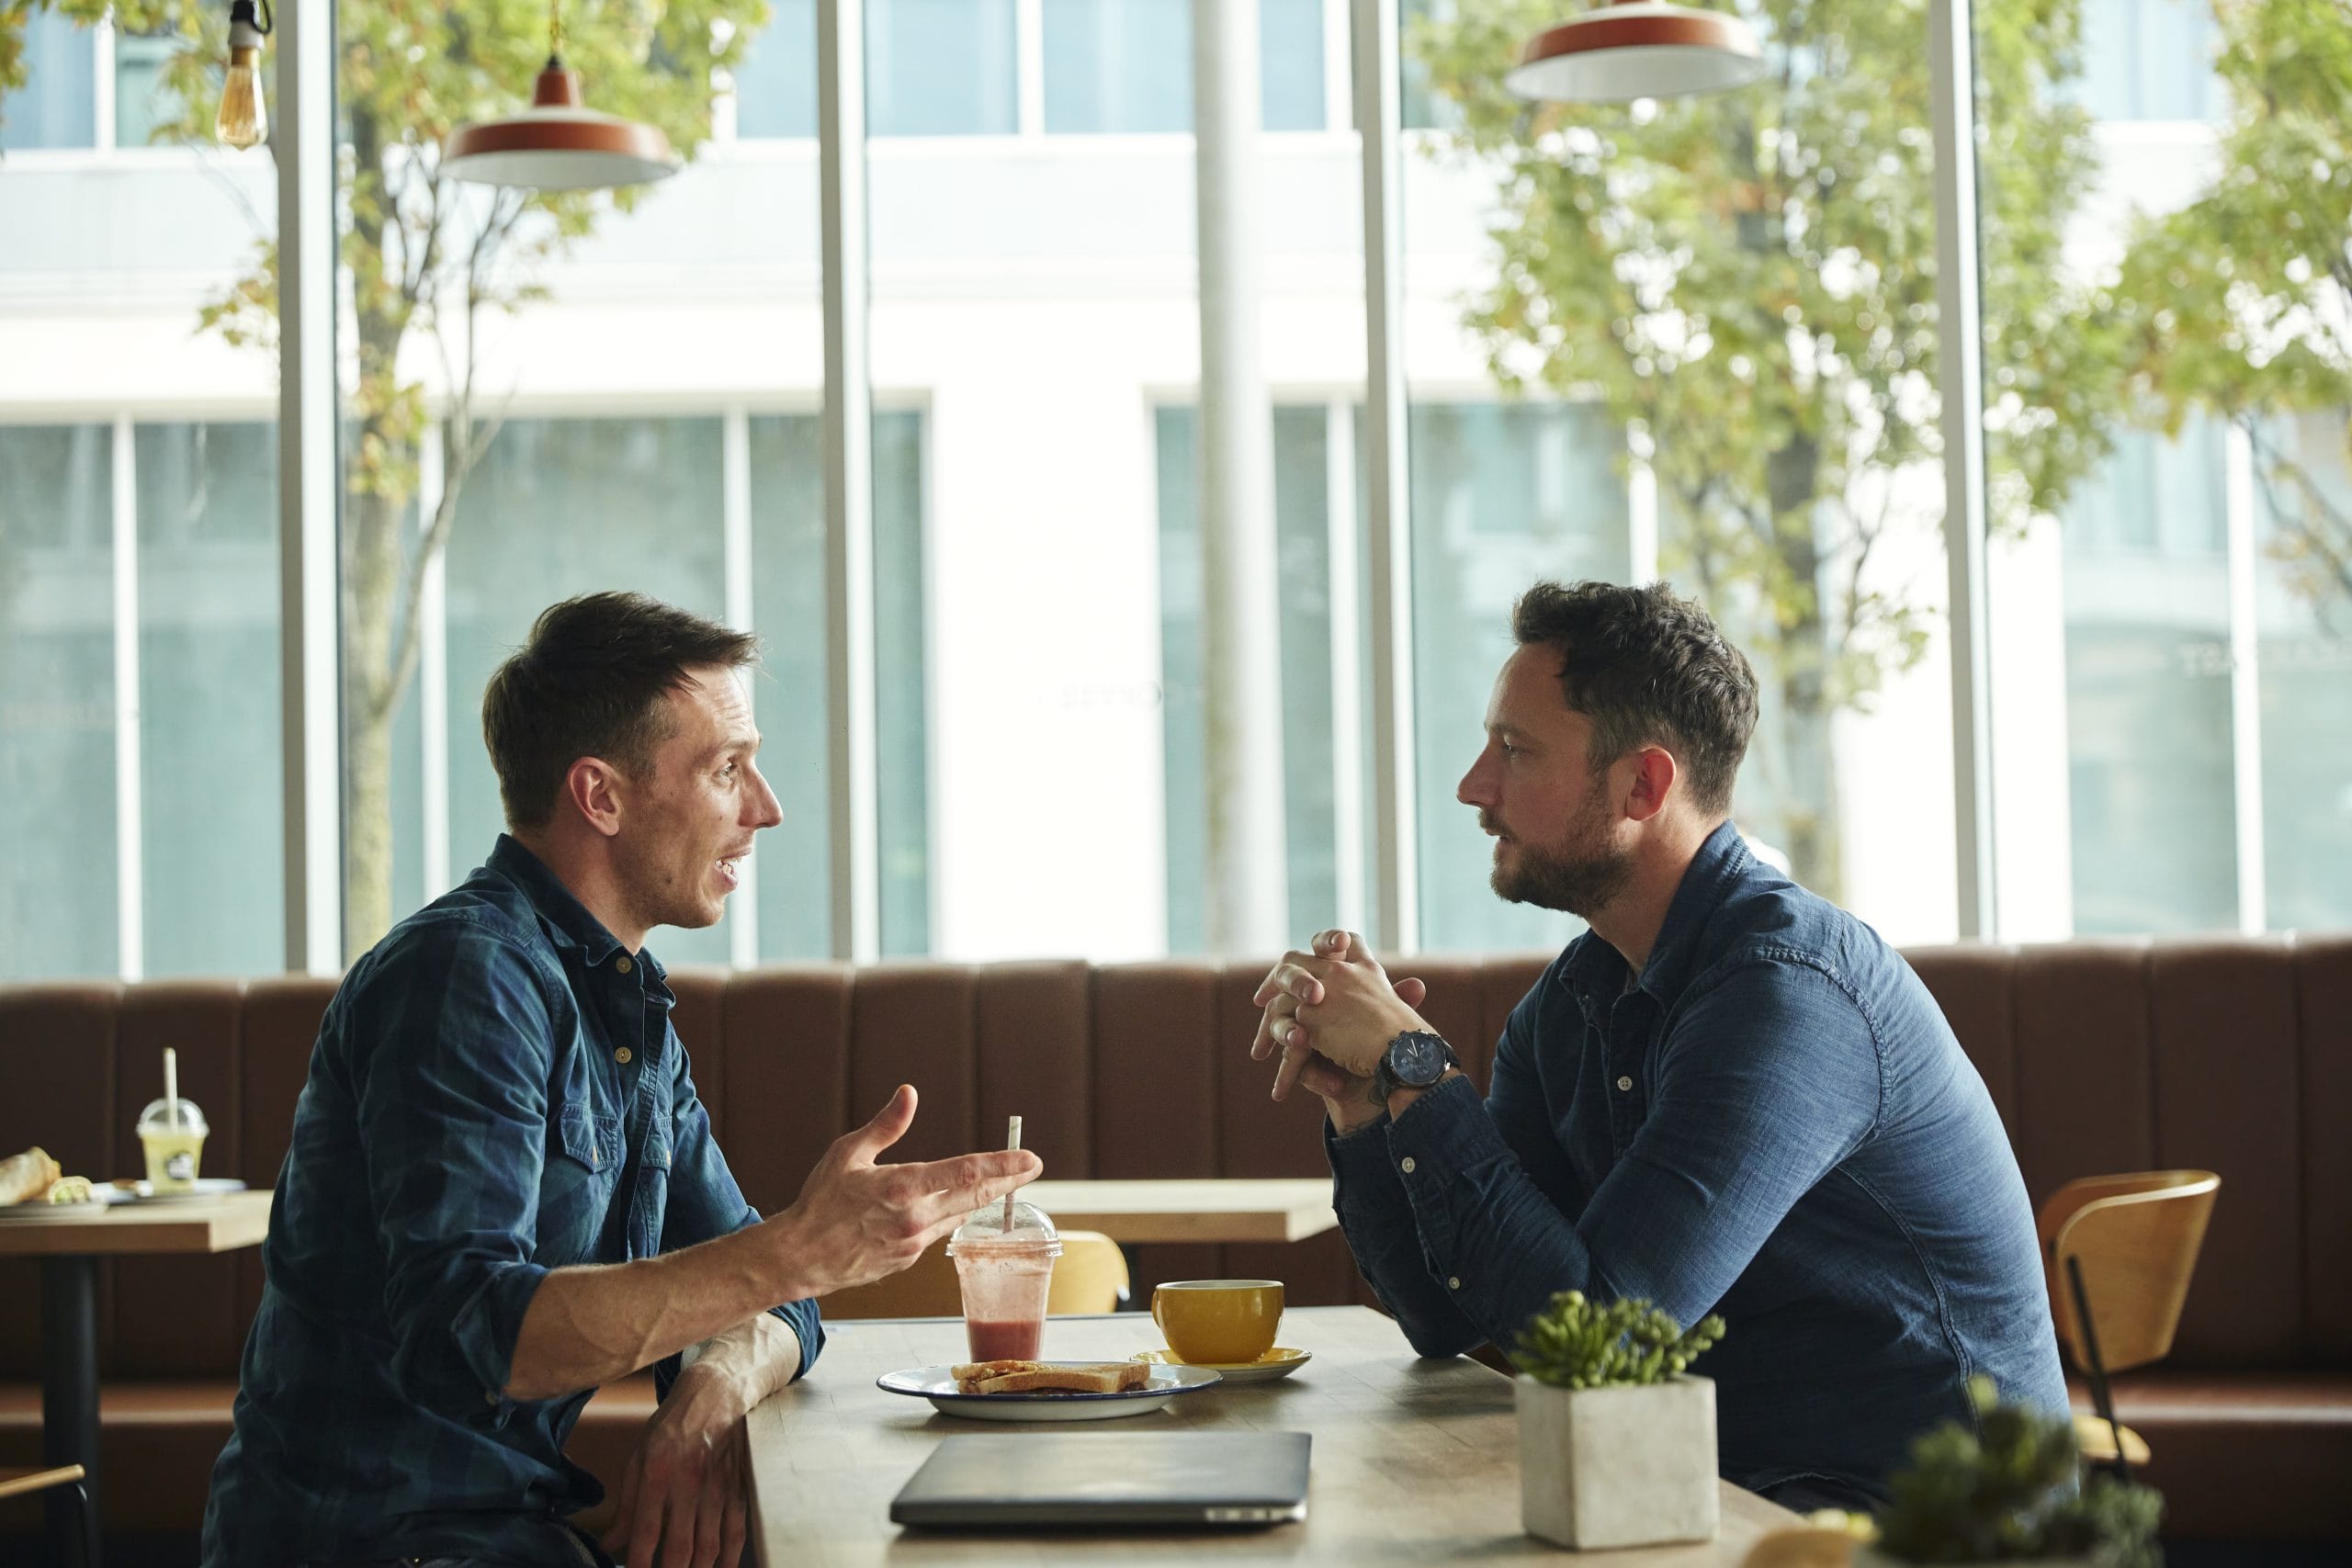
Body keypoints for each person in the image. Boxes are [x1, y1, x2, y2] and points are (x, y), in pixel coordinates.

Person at [202, 592, 1041, 1568]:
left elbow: (778, 1304)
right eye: (726, 769)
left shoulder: (623, 1006)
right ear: (600, 797)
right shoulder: (464, 978)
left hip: (507, 1536)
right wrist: (797, 1253)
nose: (765, 807)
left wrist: (714, 1387)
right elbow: (471, 1332)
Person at [1250, 580, 2064, 1510]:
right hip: (1717, 1499)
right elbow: (1453, 1318)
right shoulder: (1574, 999)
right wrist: (1367, 1104)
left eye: (1514, 751)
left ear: (1643, 784)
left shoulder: (1786, 996)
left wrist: (1416, 1067)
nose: (1474, 786)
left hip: (1919, 1527)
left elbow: (1604, 1336)